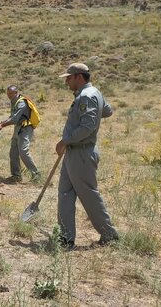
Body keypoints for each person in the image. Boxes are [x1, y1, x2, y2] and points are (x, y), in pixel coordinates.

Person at [55, 62, 119, 249]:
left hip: (81, 153)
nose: (66, 81)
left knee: (88, 195)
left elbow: (88, 127)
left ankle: (109, 235)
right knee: (65, 194)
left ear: (79, 77)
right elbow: (106, 111)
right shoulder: (94, 94)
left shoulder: (87, 96)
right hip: (73, 154)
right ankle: (66, 238)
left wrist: (65, 140)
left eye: (69, 77)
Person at [0, 85, 41, 183]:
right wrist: (2, 122)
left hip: (25, 128)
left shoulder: (22, 103)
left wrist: (2, 125)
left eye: (11, 93)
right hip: (18, 128)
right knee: (13, 153)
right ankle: (16, 176)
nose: (9, 95)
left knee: (23, 151)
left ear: (16, 93)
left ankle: (36, 174)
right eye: (7, 94)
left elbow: (14, 119)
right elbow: (12, 117)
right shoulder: (14, 102)